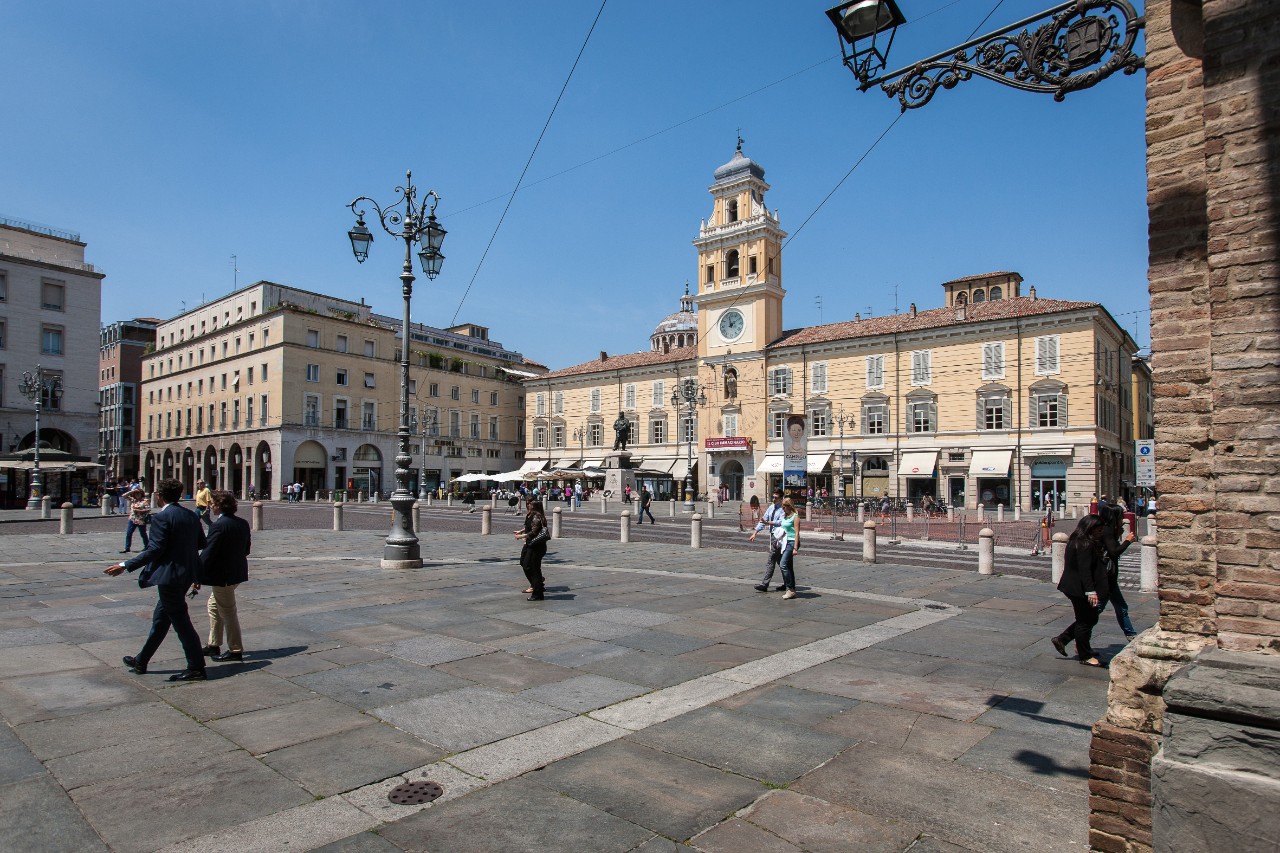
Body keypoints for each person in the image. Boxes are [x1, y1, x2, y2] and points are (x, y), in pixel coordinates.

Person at [103, 478, 209, 682]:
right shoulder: (190, 515)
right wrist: (195, 574)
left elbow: (155, 549)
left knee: (182, 623)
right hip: (185, 575)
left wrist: (125, 566)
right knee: (161, 620)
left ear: (159, 496)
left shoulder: (162, 518)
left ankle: (196, 666)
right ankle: (141, 660)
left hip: (170, 577)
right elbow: (200, 543)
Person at [196, 490, 251, 662]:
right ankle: (213, 644)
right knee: (214, 605)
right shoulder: (242, 523)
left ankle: (235, 650)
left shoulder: (218, 526)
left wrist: (195, 574)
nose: (210, 506)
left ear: (220, 505)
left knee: (228, 612)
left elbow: (208, 553)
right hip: (236, 572)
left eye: (212, 503)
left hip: (223, 576)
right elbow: (246, 549)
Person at [1050, 515, 1111, 667]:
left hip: (1073, 586)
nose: (1100, 533)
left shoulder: (1075, 540)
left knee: (1087, 619)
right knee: (1086, 621)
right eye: (1098, 530)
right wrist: (1090, 591)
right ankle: (1084, 655)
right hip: (1079, 588)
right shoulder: (1085, 544)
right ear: (1090, 528)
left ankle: (1063, 640)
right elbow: (1085, 570)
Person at [1097, 502, 1139, 639]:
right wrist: (1127, 541)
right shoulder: (1107, 530)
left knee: (1121, 607)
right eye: (1120, 516)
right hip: (1106, 577)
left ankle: (1130, 634)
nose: (1122, 519)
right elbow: (1114, 552)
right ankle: (1070, 636)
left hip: (1110, 576)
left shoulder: (1108, 529)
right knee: (1096, 610)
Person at [749, 490, 786, 591]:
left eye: (776, 497)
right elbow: (763, 520)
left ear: (781, 499)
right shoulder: (771, 507)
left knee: (771, 560)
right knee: (780, 561)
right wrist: (755, 533)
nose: (774, 499)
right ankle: (788, 583)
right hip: (773, 536)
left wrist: (769, 522)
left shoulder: (783, 509)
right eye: (773, 497)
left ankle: (765, 584)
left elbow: (781, 522)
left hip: (779, 537)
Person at [514, 498, 550, 601]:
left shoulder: (537, 516)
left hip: (536, 545)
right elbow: (530, 527)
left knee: (531, 567)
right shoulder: (532, 515)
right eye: (528, 503)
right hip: (531, 544)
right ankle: (537, 587)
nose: (528, 505)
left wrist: (521, 536)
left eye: (530, 504)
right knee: (528, 565)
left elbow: (534, 532)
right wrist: (521, 532)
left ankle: (537, 590)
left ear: (535, 506)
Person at [776, 497, 801, 600]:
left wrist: (795, 548)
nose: (783, 509)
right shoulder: (786, 516)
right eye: (782, 507)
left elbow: (797, 533)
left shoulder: (795, 517)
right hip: (785, 542)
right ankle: (792, 590)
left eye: (784, 507)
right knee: (789, 566)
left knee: (783, 564)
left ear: (789, 506)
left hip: (792, 543)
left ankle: (790, 588)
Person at [120, 486, 151, 553]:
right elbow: (123, 496)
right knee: (129, 533)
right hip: (132, 519)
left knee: (143, 534)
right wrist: (132, 491)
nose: (137, 495)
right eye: (136, 494)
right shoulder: (133, 500)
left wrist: (139, 510)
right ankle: (127, 548)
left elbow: (148, 509)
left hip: (141, 520)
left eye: (138, 493)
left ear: (141, 494)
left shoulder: (145, 501)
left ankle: (147, 546)